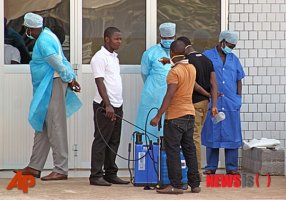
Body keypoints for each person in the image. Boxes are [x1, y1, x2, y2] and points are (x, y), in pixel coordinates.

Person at [14, 12, 82, 181]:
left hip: (53, 83)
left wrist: (70, 79)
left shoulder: (43, 41)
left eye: (27, 29)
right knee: (42, 125)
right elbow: (62, 60)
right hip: (48, 85)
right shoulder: (47, 36)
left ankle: (61, 168)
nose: (26, 32)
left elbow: (57, 63)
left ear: (30, 28)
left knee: (55, 125)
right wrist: (71, 78)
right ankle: (35, 166)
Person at [150, 40, 200, 194]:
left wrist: (158, 116)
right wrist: (170, 62)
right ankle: (195, 184)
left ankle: (176, 185)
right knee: (189, 149)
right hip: (190, 114)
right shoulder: (191, 68)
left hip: (175, 116)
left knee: (172, 151)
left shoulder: (174, 72)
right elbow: (181, 68)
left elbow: (169, 95)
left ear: (171, 52)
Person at [89, 27, 129, 186]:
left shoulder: (114, 57)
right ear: (106, 39)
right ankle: (95, 175)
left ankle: (110, 173)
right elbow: (99, 82)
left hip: (117, 104)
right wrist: (107, 105)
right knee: (101, 140)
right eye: (116, 39)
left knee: (114, 140)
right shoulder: (99, 58)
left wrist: (115, 104)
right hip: (105, 106)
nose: (119, 41)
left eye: (120, 39)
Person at [201, 30, 245, 175]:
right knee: (212, 133)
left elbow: (239, 79)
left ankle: (231, 167)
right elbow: (201, 76)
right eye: (229, 45)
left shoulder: (234, 59)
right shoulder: (207, 56)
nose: (230, 49)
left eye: (233, 47)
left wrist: (238, 98)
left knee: (231, 134)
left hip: (231, 101)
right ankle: (211, 167)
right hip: (214, 101)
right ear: (222, 41)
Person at [176, 36, 218, 177]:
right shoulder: (207, 60)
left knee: (193, 138)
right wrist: (214, 102)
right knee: (195, 136)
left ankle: (196, 172)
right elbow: (214, 83)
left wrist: (206, 93)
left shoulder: (189, 62)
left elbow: (192, 83)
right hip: (205, 104)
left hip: (193, 103)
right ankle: (192, 170)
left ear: (184, 48)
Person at [135, 22, 176, 142]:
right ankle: (147, 157)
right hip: (152, 95)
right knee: (148, 127)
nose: (167, 40)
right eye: (165, 38)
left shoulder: (179, 53)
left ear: (174, 36)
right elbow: (144, 72)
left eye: (170, 38)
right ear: (160, 36)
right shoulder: (150, 53)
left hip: (172, 95)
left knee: (171, 131)